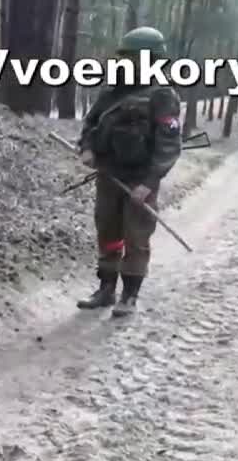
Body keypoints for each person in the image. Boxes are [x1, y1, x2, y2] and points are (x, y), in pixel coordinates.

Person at [76, 26, 182, 316]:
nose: (125, 62)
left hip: (140, 179)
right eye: (123, 57)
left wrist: (149, 184)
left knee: (136, 237)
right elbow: (91, 124)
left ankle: (130, 296)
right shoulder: (111, 90)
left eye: (131, 57)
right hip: (108, 175)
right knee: (108, 232)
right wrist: (87, 148)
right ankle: (106, 289)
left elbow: (169, 144)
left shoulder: (162, 95)